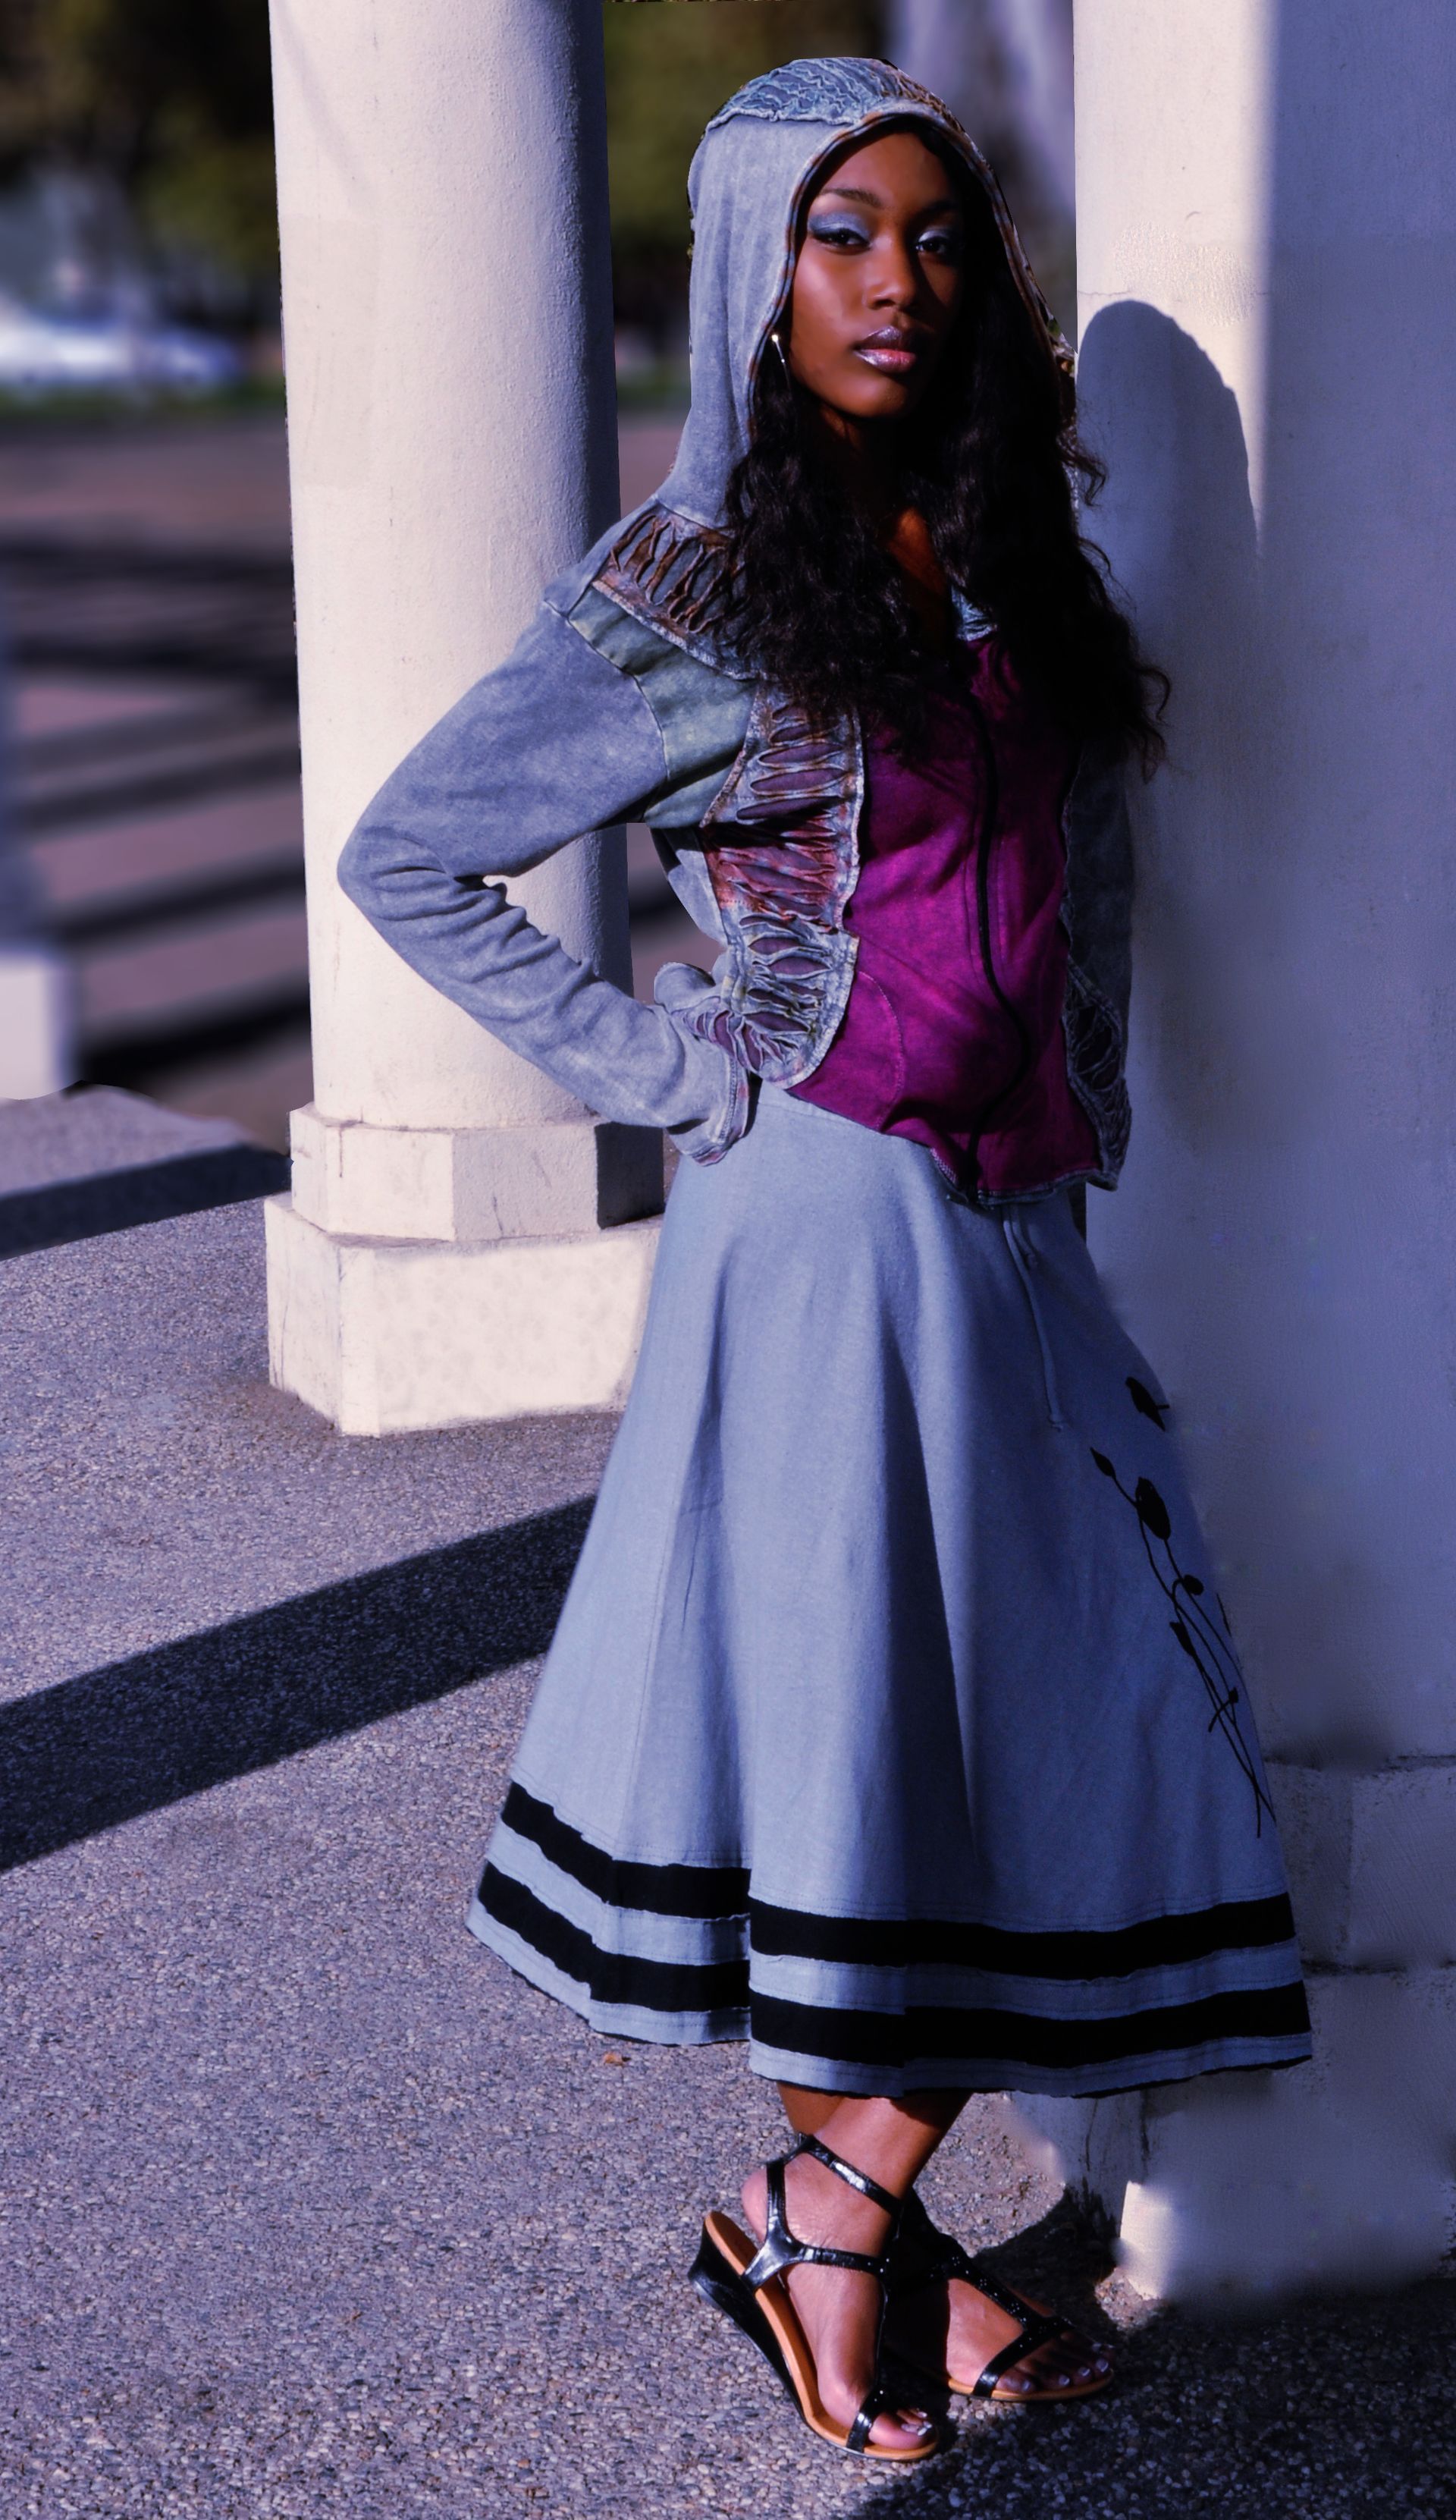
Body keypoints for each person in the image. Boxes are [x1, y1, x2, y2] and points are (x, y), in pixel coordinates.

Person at [337, 58, 1312, 2466]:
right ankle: (857, 2218)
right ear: (755, 282)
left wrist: (1081, 1132)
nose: (895, 282)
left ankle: (833, 2201)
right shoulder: (686, 578)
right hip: (827, 1224)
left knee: (1077, 1731)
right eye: (839, 237)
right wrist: (679, 1067)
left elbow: (1082, 888)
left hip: (1007, 1221)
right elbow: (414, 851)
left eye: (935, 236)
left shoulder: (1004, 558)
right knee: (900, 1741)